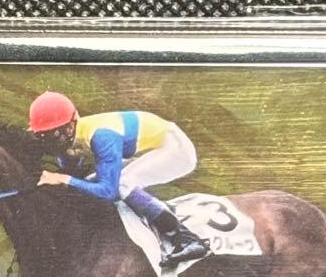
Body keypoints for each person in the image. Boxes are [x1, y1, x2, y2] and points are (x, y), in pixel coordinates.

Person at [28, 91, 209, 267]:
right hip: (147, 148)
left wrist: (64, 179)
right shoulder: (72, 135)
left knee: (123, 184)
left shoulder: (102, 136)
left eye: (54, 135)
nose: (50, 143)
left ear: (70, 126)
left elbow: (108, 191)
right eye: (43, 136)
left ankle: (186, 238)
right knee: (89, 181)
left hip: (176, 149)